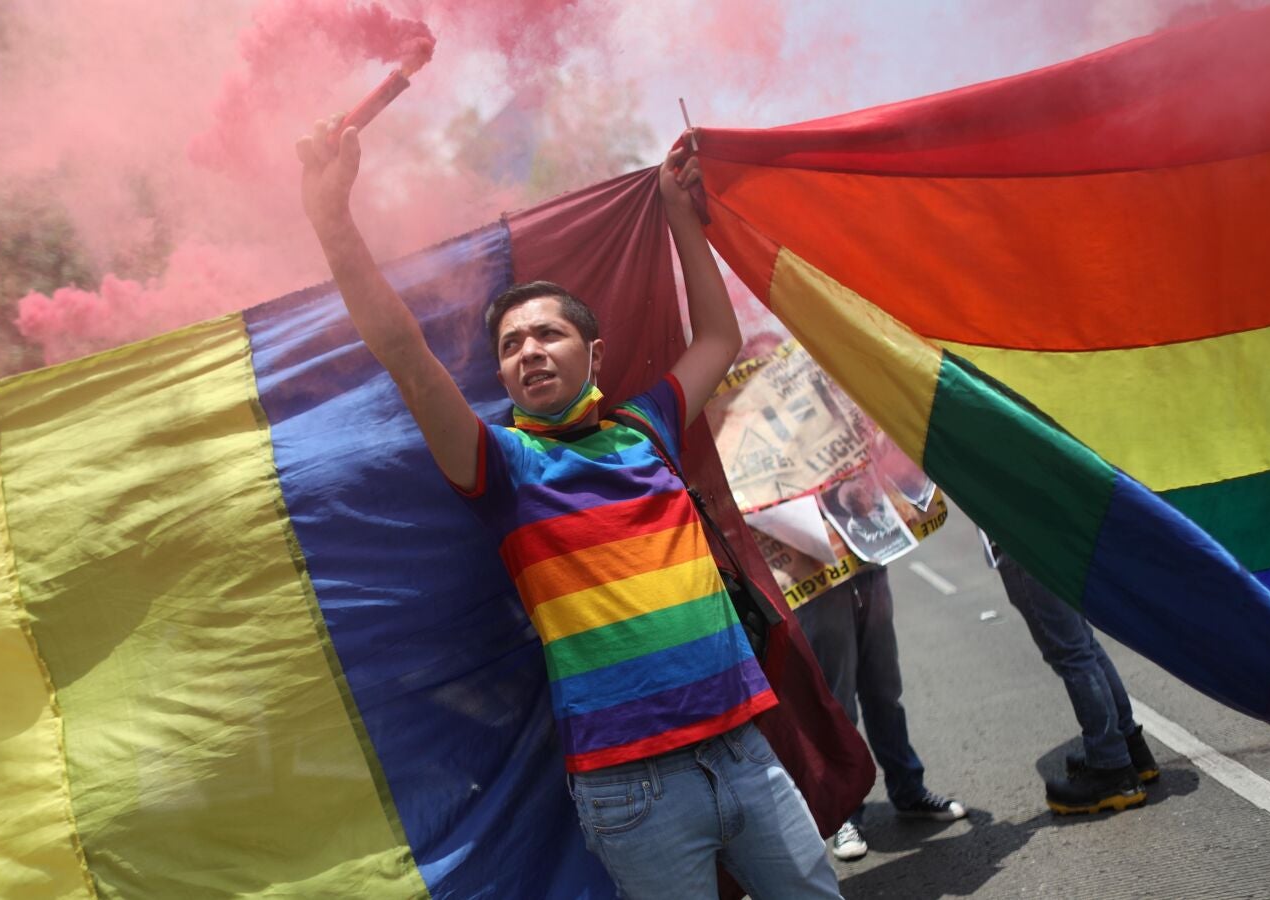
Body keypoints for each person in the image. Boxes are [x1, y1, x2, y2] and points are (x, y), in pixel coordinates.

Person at [296, 117, 843, 899]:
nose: (528, 350)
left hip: (744, 752)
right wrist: (333, 223)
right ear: (503, 378)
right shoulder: (504, 469)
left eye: (548, 333)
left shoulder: (645, 429)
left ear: (594, 353)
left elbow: (718, 338)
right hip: (632, 794)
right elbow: (407, 359)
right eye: (510, 345)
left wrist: (677, 211)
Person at [794, 564, 968, 861]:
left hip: (866, 569)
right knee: (838, 706)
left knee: (885, 691)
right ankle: (846, 814)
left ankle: (909, 790)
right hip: (816, 581)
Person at [995, 552, 1160, 814]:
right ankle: (1129, 749)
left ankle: (1111, 767)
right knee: (1082, 645)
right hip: (1044, 541)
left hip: (1022, 545)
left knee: (1072, 653)